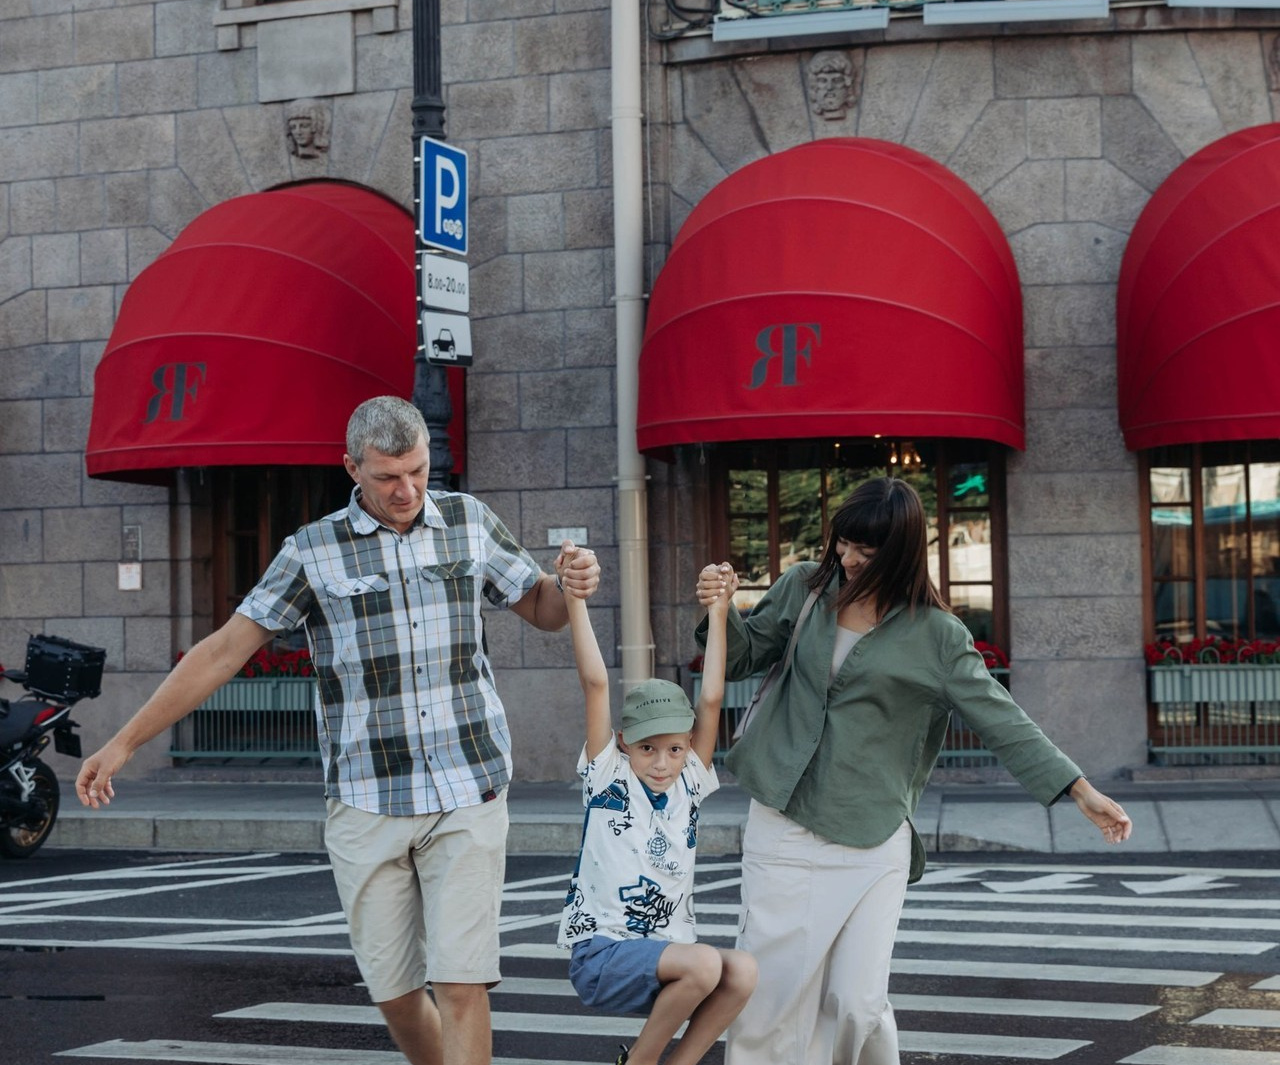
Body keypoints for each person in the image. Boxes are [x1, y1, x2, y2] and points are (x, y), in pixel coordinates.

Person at [76, 395, 600, 1065]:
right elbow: (223, 650)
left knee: (461, 981)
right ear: (351, 466)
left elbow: (542, 609)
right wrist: (123, 741)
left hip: (469, 782)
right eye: (387, 476)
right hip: (365, 795)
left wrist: (569, 582)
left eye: (417, 469)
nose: (406, 489)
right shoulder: (312, 552)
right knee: (396, 990)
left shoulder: (469, 523)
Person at [693, 476, 1132, 1065]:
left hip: (872, 830)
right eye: (843, 543)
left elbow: (1002, 719)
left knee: (856, 1001)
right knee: (774, 993)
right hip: (784, 816)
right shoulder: (805, 586)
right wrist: (720, 611)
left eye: (865, 553)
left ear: (899, 554)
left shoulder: (937, 636)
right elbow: (745, 656)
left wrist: (1078, 789)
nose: (848, 559)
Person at [558, 558, 757, 1065]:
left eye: (673, 749)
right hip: (603, 954)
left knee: (742, 972)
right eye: (647, 749)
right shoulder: (608, 777)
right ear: (624, 742)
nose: (662, 762)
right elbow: (595, 684)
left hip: (667, 955)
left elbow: (711, 698)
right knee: (706, 965)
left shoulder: (690, 778)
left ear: (688, 746)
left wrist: (719, 610)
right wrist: (574, 597)